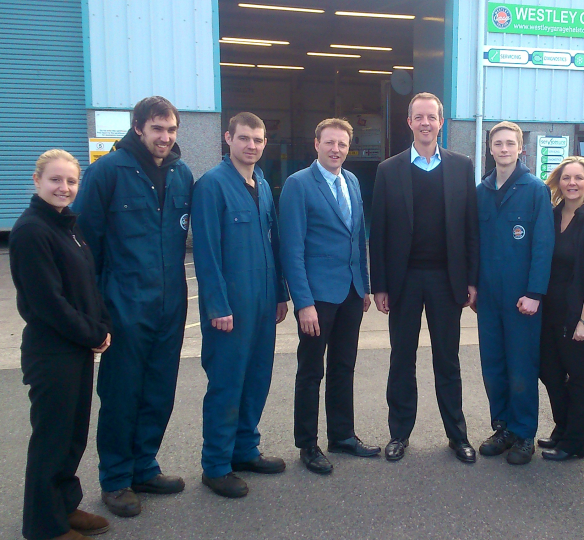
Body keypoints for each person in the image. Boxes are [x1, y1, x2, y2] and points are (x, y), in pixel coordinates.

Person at [74, 96, 193, 516]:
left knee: (159, 390)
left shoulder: (182, 174)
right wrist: (95, 310)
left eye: (171, 130)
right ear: (138, 127)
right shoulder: (106, 172)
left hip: (170, 305)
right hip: (123, 305)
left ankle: (145, 465)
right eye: (157, 128)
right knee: (122, 394)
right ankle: (116, 478)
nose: (165, 137)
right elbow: (85, 249)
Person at [370, 92, 480, 463]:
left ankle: (457, 436)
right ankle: (399, 434)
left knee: (447, 360)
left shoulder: (461, 166)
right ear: (409, 122)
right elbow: (379, 232)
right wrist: (380, 284)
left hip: (446, 281)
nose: (425, 123)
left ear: (441, 122)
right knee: (402, 359)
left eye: (432, 117)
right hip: (404, 281)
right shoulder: (389, 169)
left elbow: (470, 228)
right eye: (419, 117)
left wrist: (471, 279)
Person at [10, 150, 112, 540]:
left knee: (72, 436)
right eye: (55, 180)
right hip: (52, 352)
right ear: (36, 182)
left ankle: (64, 506)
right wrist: (92, 333)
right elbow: (47, 302)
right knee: (51, 440)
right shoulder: (31, 231)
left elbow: (88, 282)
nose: (63, 187)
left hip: (75, 349)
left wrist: (102, 323)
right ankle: (44, 526)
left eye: (70, 181)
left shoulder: (67, 225)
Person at [191, 112, 290, 497]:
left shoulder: (262, 184)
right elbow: (206, 252)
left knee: (256, 379)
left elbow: (273, 242)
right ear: (228, 138)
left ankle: (244, 450)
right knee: (227, 383)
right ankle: (215, 465)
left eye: (259, 140)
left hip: (263, 302)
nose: (252, 145)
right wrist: (216, 306)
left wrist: (281, 293)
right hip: (230, 308)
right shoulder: (212, 186)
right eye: (244, 138)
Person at [279, 118, 378, 475]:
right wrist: (303, 303)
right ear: (316, 144)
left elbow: (358, 237)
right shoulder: (298, 185)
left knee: (343, 367)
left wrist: (364, 286)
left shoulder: (350, 181)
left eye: (342, 144)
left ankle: (342, 435)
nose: (336, 149)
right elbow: (292, 248)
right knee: (310, 371)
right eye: (330, 143)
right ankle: (308, 443)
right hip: (317, 298)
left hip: (351, 293)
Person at [474, 122, 554, 465]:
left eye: (510, 143)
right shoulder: (482, 190)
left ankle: (524, 434)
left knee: (521, 366)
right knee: (493, 364)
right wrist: (473, 285)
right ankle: (503, 426)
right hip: (489, 296)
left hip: (522, 297)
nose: (503, 149)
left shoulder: (535, 190)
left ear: (521, 149)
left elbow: (543, 245)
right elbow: (474, 243)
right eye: (498, 143)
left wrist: (535, 292)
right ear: (490, 149)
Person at [537, 156, 584, 462]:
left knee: (580, 377)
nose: (572, 183)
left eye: (578, 178)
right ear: (557, 182)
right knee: (550, 372)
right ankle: (562, 427)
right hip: (550, 312)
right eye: (566, 178)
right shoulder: (551, 216)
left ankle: (576, 443)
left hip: (582, 314)